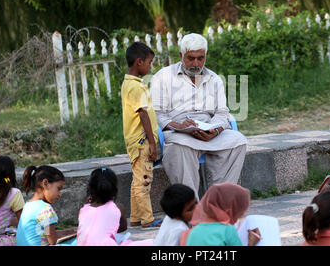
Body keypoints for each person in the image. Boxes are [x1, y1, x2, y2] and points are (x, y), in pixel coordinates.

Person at [150, 33, 248, 199]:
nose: (196, 63)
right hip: (179, 132)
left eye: (200, 58)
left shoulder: (214, 79)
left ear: (205, 56)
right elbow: (156, 112)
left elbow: (222, 112)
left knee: (237, 141)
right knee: (177, 148)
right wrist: (178, 126)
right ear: (181, 56)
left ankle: (220, 200)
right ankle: (190, 205)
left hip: (209, 130)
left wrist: (215, 130)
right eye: (191, 58)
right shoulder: (163, 77)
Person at [121, 42, 162, 228]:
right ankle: (148, 219)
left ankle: (136, 217)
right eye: (149, 63)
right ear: (139, 62)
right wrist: (152, 144)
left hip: (135, 141)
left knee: (136, 180)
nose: (150, 67)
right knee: (144, 180)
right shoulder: (135, 87)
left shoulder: (130, 83)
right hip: (142, 141)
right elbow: (143, 114)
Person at [182, 182, 260, 246]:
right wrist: (252, 243)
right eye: (240, 213)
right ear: (231, 210)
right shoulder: (228, 230)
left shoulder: (192, 232)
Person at [16, 165, 76, 246]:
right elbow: (52, 241)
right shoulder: (45, 209)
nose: (59, 194)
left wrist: (69, 231)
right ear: (45, 183)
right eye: (58, 188)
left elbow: (46, 233)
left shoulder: (28, 205)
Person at [77, 167, 130, 246]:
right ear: (116, 191)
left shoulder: (83, 210)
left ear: (90, 191)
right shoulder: (118, 208)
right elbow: (123, 228)